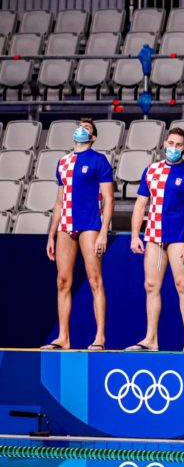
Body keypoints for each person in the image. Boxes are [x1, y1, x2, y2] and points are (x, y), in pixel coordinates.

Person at [127, 128, 184, 352]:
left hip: (180, 236)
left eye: (178, 144)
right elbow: (141, 205)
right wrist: (135, 235)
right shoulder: (151, 171)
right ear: (164, 144)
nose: (174, 147)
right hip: (153, 236)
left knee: (183, 285)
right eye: (171, 143)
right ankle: (151, 339)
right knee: (151, 286)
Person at [42, 118, 114, 350]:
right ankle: (63, 337)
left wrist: (103, 232)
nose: (81, 130)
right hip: (66, 225)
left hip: (90, 225)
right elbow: (60, 201)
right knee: (63, 281)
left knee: (95, 280)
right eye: (80, 126)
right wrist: (51, 234)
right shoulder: (63, 162)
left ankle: (100, 337)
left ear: (93, 138)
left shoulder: (99, 161)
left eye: (87, 129)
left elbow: (110, 198)